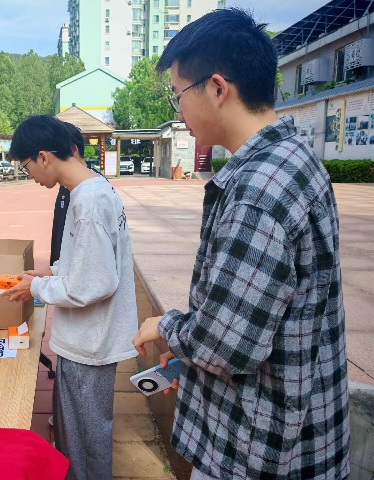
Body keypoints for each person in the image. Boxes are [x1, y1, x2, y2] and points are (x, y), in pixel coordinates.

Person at [132, 8, 350, 480]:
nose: (179, 112)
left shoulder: (258, 190)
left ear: (216, 88)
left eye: (178, 95)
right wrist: (190, 350)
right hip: (302, 433)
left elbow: (225, 345)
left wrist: (166, 327)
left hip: (258, 452)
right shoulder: (295, 158)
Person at [2, 115, 138, 480]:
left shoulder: (88, 202)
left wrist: (35, 288)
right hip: (87, 338)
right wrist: (51, 274)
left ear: (44, 156)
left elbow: (92, 284)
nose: (29, 174)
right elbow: (88, 263)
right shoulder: (92, 190)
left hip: (89, 342)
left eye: (26, 165)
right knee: (78, 435)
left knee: (85, 443)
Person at [50, 122, 85, 265]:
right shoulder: (66, 185)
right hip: (62, 269)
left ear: (73, 150)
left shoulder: (91, 196)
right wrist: (54, 270)